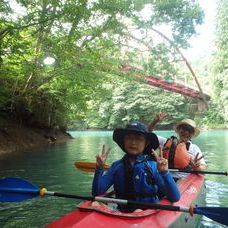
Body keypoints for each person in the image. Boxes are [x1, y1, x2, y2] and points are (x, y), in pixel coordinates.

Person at [92, 121, 180, 213]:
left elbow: (174, 197)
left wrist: (164, 172)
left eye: (139, 139)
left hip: (148, 213)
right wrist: (99, 169)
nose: (133, 142)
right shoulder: (116, 166)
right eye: (129, 138)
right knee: (95, 204)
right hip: (121, 212)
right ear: (124, 141)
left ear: (146, 143)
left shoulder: (153, 166)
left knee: (138, 211)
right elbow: (97, 192)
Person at [148, 113, 207, 180]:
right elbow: (149, 134)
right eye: (184, 129)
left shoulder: (194, 148)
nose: (186, 132)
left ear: (192, 134)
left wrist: (197, 167)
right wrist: (155, 121)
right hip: (165, 176)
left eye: (190, 130)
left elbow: (203, 168)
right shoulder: (165, 142)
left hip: (183, 179)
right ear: (179, 130)